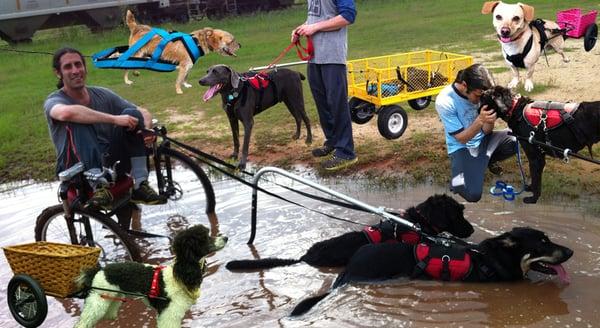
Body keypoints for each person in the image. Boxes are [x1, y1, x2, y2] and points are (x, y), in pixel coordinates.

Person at [44, 47, 165, 210]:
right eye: (68, 67)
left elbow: (142, 112)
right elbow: (66, 113)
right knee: (78, 120)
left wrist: (145, 130)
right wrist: (115, 119)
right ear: (58, 73)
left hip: (110, 164)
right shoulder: (54, 100)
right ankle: (98, 186)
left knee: (131, 114)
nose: (75, 71)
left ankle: (140, 184)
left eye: (78, 65)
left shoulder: (101, 94)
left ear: (85, 68)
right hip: (77, 171)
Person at [435, 63, 516, 202]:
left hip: (483, 139)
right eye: (477, 96)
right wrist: (480, 120)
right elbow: (461, 138)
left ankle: (486, 160)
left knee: (516, 140)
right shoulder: (445, 101)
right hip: (461, 147)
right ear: (465, 85)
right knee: (473, 195)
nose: (479, 101)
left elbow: (486, 131)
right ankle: (457, 181)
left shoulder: (482, 93)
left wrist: (489, 120)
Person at [292, 0, 357, 171]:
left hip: (333, 56)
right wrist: (301, 28)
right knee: (323, 103)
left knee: (337, 103)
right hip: (315, 56)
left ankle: (346, 152)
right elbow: (315, 18)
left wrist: (314, 28)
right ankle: (333, 141)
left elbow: (348, 16)